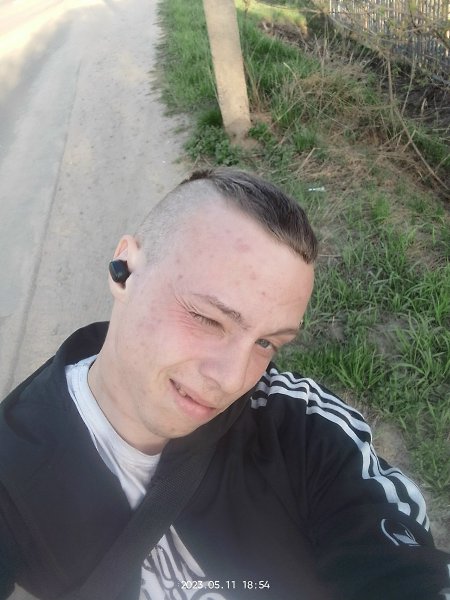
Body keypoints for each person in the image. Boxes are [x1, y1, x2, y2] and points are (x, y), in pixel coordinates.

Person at [0, 168, 448, 600]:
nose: (233, 380)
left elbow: (399, 569)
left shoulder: (303, 429)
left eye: (267, 342)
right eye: (208, 318)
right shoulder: (12, 468)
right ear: (126, 268)